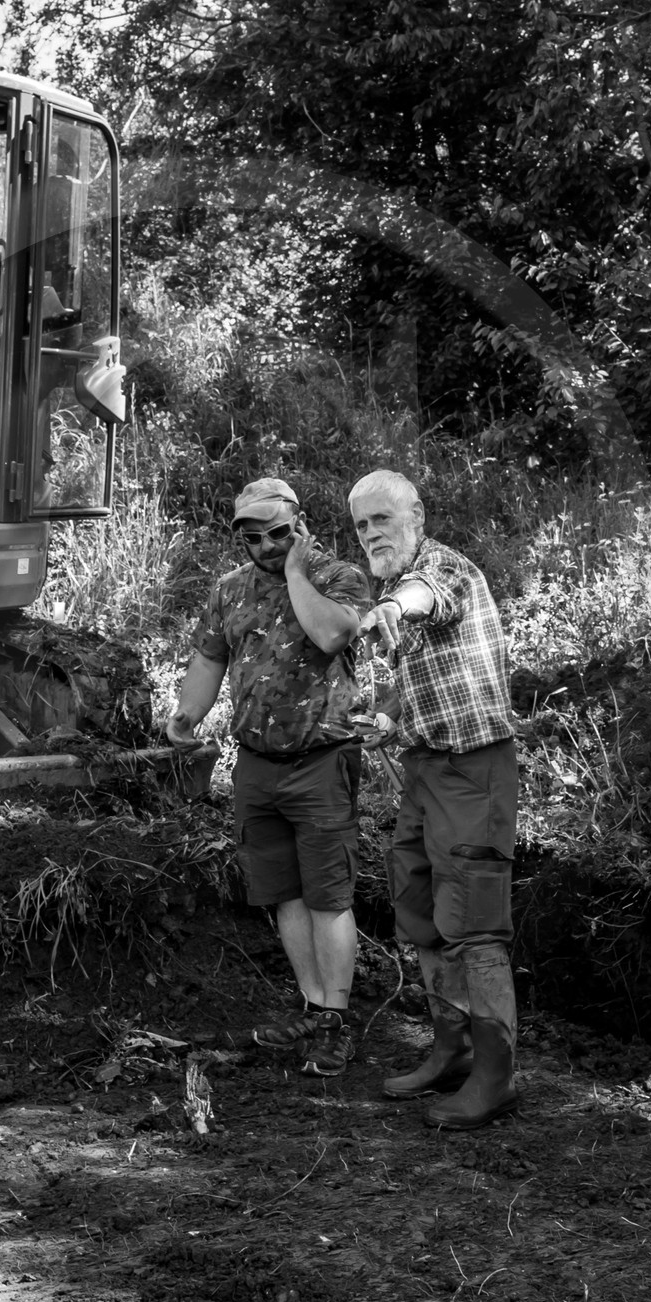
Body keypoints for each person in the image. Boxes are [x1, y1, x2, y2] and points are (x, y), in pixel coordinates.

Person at [166, 477, 371, 1076]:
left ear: (300, 524)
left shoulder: (338, 577)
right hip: (256, 763)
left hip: (322, 757)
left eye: (277, 533)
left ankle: (336, 1020)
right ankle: (312, 1007)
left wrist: (298, 572)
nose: (266, 546)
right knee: (284, 892)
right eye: (252, 538)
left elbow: (332, 633)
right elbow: (210, 656)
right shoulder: (230, 588)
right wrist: (187, 714)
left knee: (329, 896)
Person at [349, 470, 521, 1131]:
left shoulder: (440, 569)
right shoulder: (394, 587)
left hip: (474, 770)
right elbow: (427, 680)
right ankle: (454, 1050)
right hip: (424, 770)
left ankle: (496, 1077)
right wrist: (387, 719)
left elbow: (426, 597)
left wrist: (394, 608)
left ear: (416, 516)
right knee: (420, 909)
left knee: (474, 924)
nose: (371, 534)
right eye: (361, 525)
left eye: (381, 519)